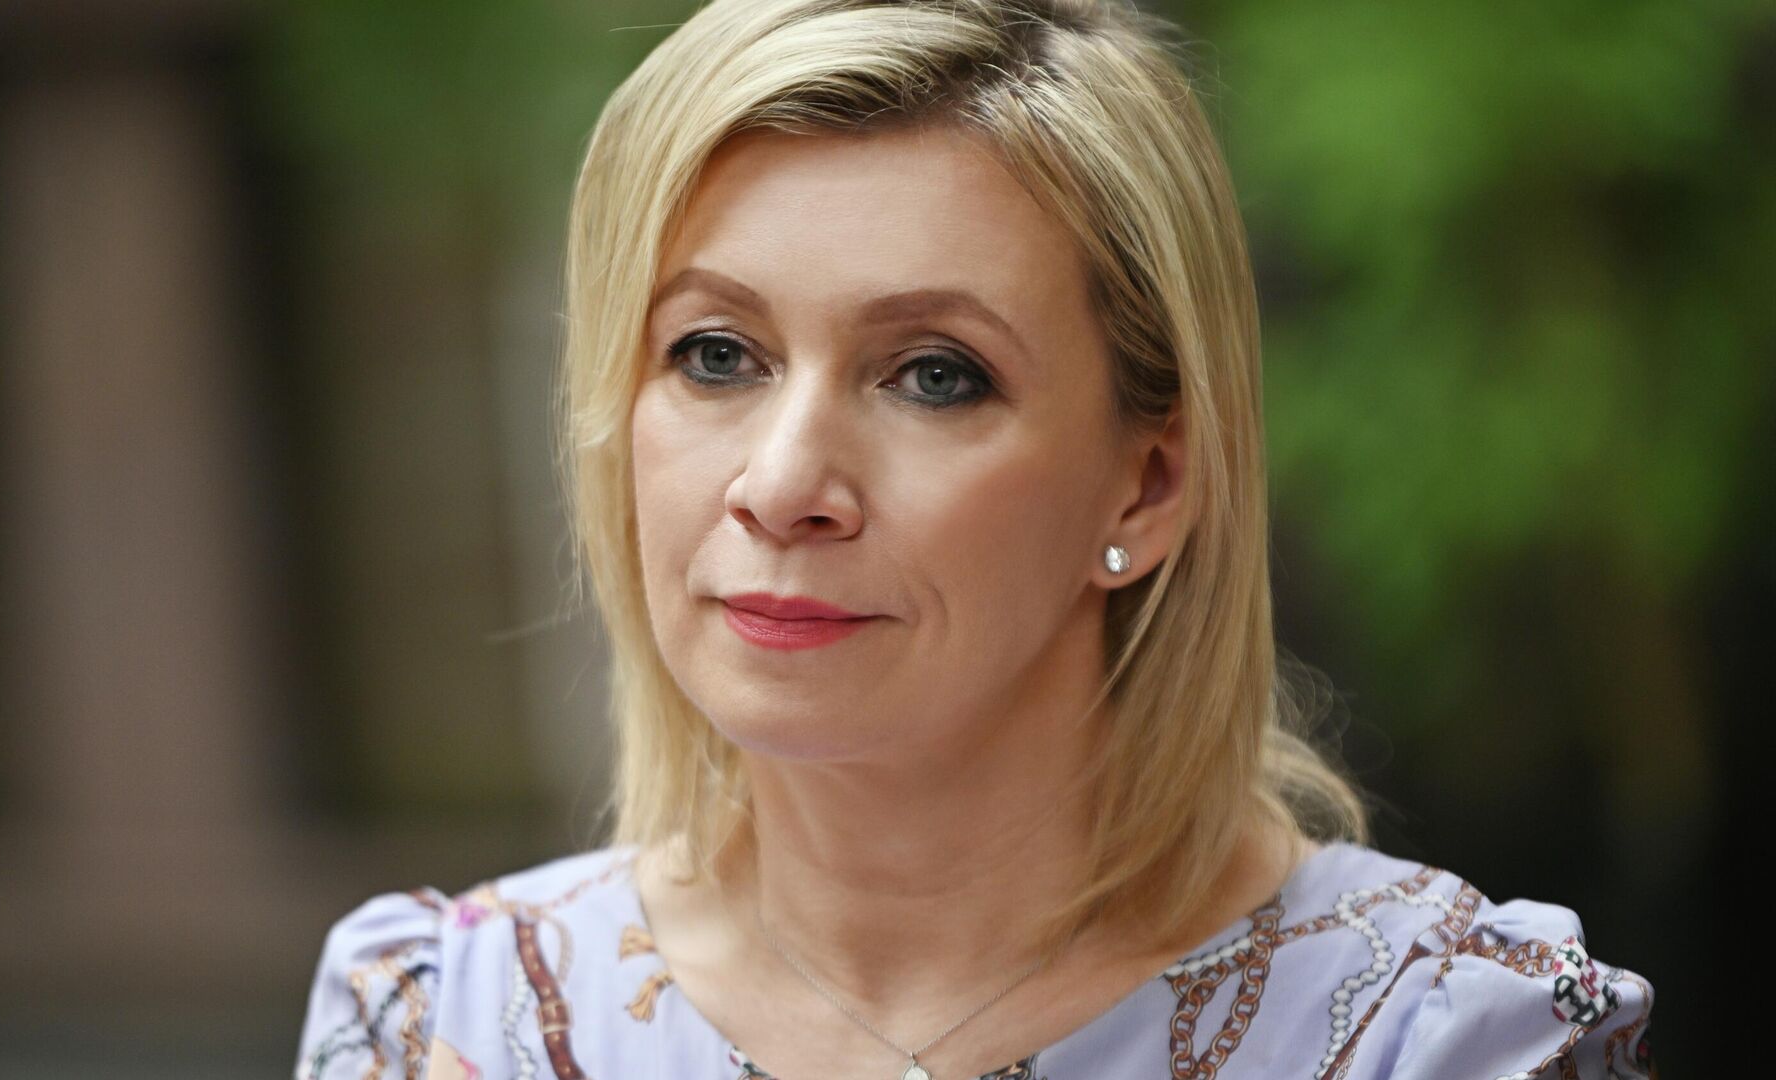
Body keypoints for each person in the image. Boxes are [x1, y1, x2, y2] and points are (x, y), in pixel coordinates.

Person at [293, 2, 1657, 1077]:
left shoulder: (1433, 1034)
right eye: (714, 353)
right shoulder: (446, 1027)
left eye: (934, 375)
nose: (784, 484)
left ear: (1148, 484)